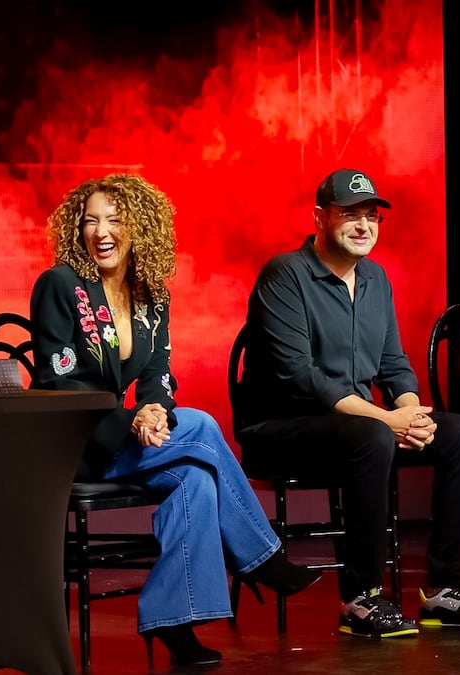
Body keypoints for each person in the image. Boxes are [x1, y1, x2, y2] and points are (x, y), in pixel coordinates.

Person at [28, 174, 321, 668]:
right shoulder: (60, 284)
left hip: (123, 439)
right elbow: (61, 385)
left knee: (196, 480)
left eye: (115, 220)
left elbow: (158, 374)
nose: (101, 231)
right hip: (71, 443)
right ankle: (264, 557)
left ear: (140, 229)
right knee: (203, 425)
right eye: (90, 221)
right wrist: (131, 418)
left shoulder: (152, 294)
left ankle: (174, 623)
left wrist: (154, 409)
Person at [235, 168, 460, 638]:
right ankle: (360, 599)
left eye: (372, 217)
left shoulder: (375, 278)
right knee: (371, 436)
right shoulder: (285, 274)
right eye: (350, 215)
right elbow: (302, 377)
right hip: (281, 428)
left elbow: (394, 363)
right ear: (320, 217)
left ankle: (446, 590)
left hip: (361, 425)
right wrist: (388, 419)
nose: (364, 226)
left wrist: (413, 413)